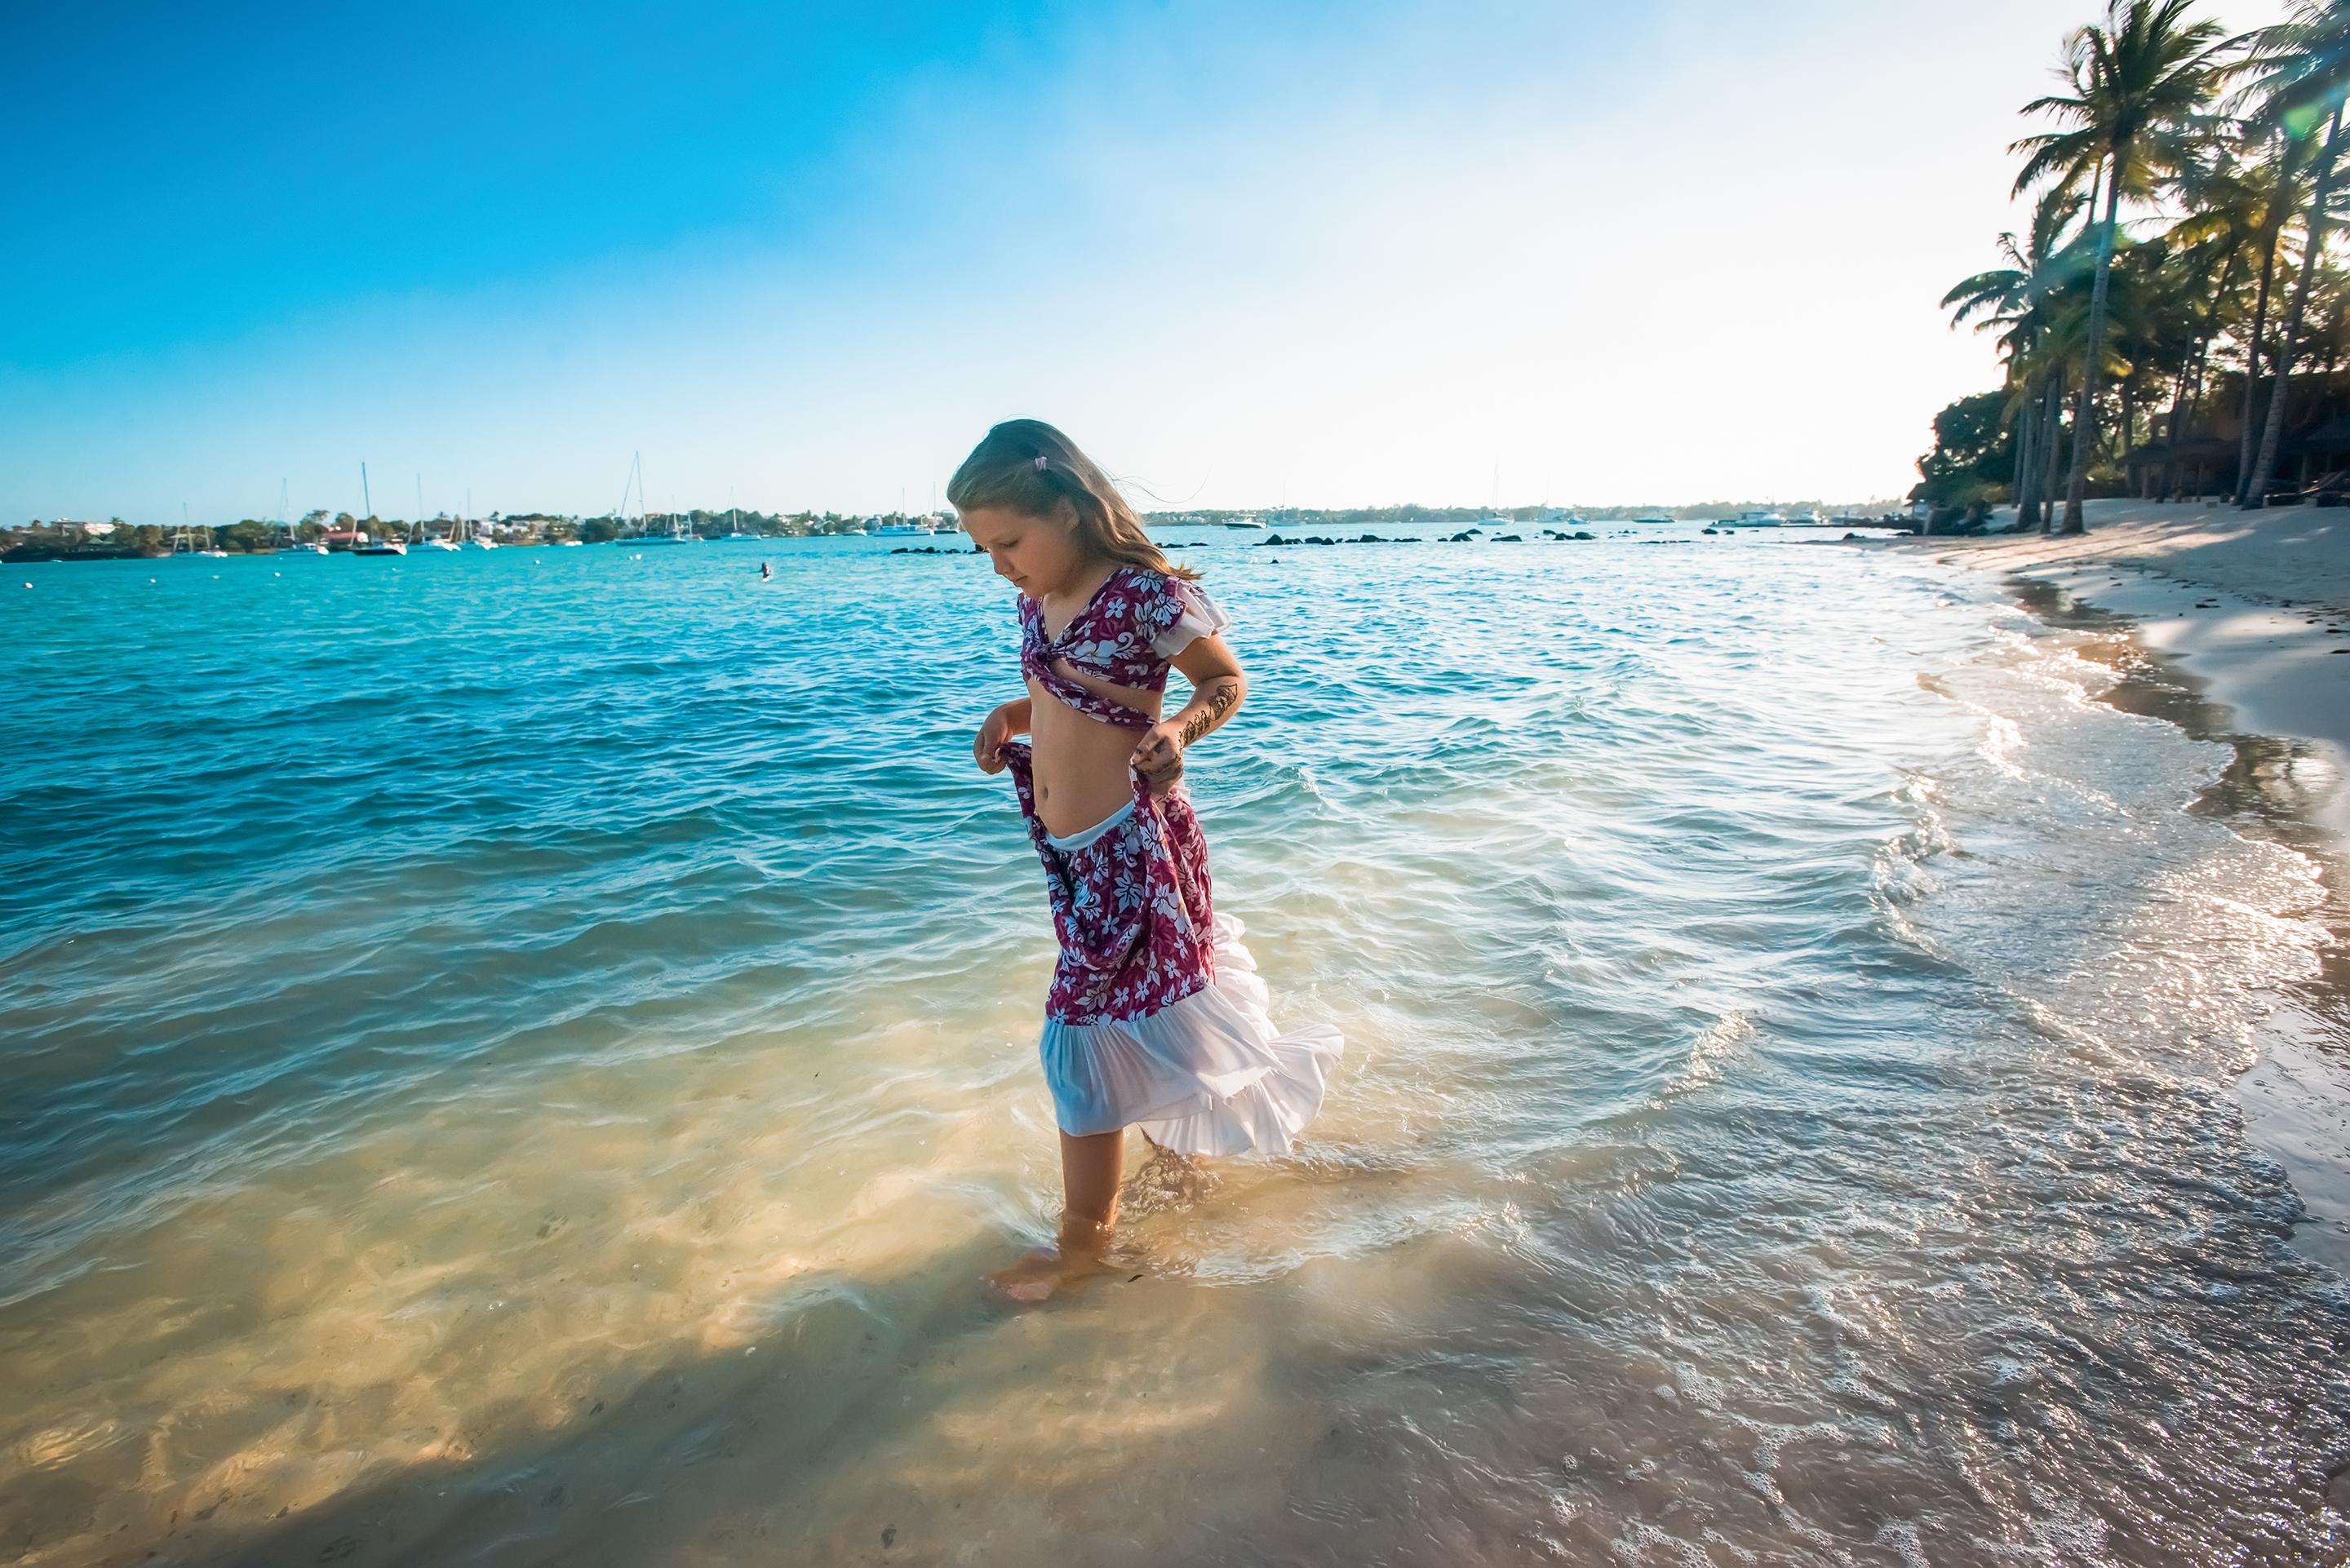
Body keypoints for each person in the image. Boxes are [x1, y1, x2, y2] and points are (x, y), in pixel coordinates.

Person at [951, 419, 1342, 1301]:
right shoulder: (1039, 599)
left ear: (1071, 507)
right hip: (1072, 857)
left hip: (1131, 846)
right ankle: (1185, 1172)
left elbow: (1224, 681)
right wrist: (1014, 717)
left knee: (1077, 1038)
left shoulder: (1143, 595)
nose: (1001, 565)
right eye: (984, 549)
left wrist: (1178, 729)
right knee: (1140, 1011)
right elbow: (1079, 695)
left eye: (1010, 541)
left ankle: (1084, 1246)